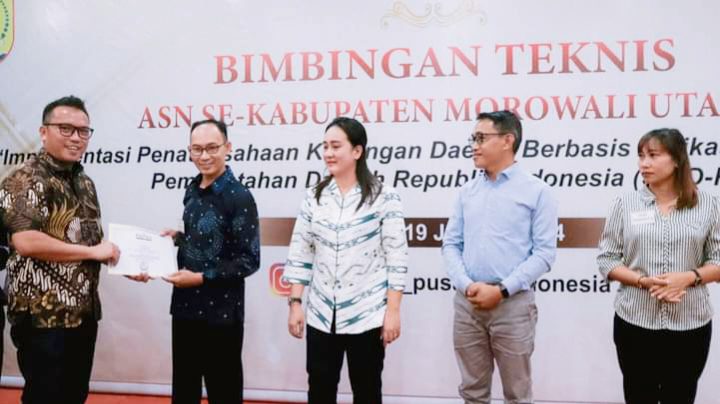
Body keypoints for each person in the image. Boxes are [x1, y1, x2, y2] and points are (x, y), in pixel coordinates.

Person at [130, 119, 260, 404]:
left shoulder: (239, 197)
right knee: (184, 389)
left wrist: (201, 277)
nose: (204, 156)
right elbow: (205, 239)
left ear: (228, 148)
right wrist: (178, 238)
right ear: (189, 150)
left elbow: (249, 260)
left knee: (224, 391)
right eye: (197, 149)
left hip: (221, 315)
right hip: (185, 308)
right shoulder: (192, 189)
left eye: (212, 148)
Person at [0, 95, 120, 404]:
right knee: (45, 397)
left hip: (83, 312)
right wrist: (94, 253)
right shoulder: (25, 178)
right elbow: (26, 241)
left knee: (74, 395)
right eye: (65, 129)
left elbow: (90, 244)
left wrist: (117, 258)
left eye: (83, 131)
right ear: (44, 132)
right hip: (43, 316)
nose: (76, 138)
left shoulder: (85, 183)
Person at [283, 116, 408, 404]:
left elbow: (397, 257)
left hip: (367, 314)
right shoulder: (314, 197)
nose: (328, 153)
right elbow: (301, 251)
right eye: (325, 146)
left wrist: (393, 311)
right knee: (319, 390)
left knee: (367, 391)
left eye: (336, 146)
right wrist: (296, 303)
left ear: (357, 151)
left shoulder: (384, 197)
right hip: (321, 314)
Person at [442, 110, 558, 404]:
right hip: (468, 304)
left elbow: (544, 253)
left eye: (481, 138)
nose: (475, 146)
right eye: (473, 138)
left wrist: (502, 290)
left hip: (513, 306)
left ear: (508, 140)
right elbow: (451, 244)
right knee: (472, 392)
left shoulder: (537, 191)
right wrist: (466, 284)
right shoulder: (467, 191)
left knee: (517, 394)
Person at [597, 128, 720, 403]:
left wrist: (688, 277)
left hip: (690, 323)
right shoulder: (624, 204)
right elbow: (607, 259)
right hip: (635, 321)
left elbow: (718, 260)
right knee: (639, 396)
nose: (644, 163)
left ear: (676, 159)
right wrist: (643, 281)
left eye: (653, 155)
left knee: (681, 396)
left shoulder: (709, 205)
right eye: (641, 156)